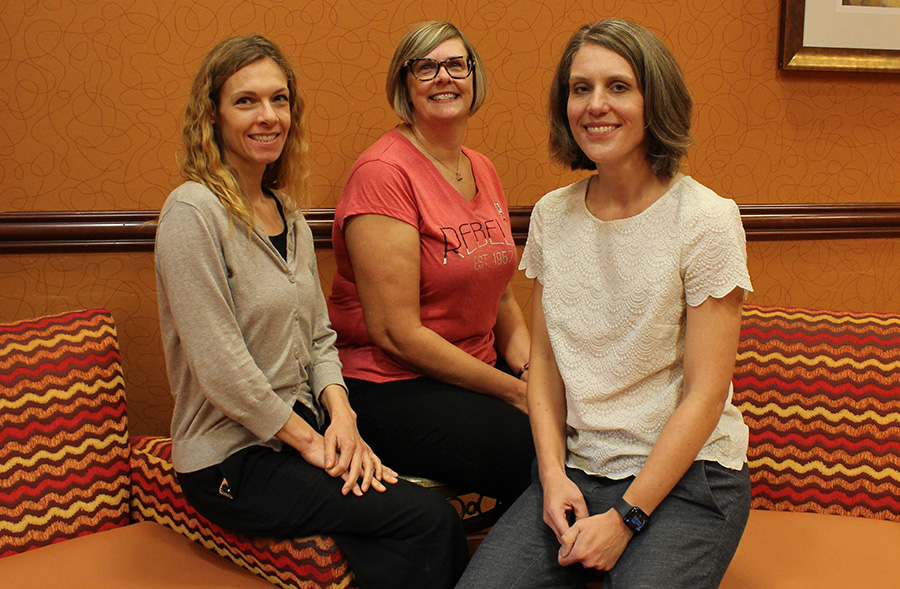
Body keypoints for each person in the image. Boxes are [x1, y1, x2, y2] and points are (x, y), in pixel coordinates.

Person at [154, 35, 467, 589]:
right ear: (213, 115)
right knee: (428, 520)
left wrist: (344, 419)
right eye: (246, 101)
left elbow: (320, 339)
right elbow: (221, 368)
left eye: (279, 100)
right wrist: (316, 447)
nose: (268, 116)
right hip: (233, 460)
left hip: (306, 428)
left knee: (427, 476)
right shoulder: (192, 211)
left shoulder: (288, 215)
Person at [458, 19, 753, 588]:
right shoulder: (551, 215)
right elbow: (543, 363)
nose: (596, 105)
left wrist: (627, 517)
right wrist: (551, 477)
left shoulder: (707, 220)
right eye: (580, 88)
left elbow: (707, 393)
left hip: (689, 479)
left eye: (619, 86)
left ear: (654, 100)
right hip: (577, 470)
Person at [327, 21, 534, 505]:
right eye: (426, 67)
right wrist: (513, 392)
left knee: (589, 430)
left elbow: (500, 295)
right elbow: (397, 334)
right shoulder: (383, 174)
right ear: (405, 85)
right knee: (538, 455)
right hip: (393, 384)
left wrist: (529, 371)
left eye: (456, 64)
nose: (444, 77)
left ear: (473, 77)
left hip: (476, 369)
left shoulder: (480, 165)